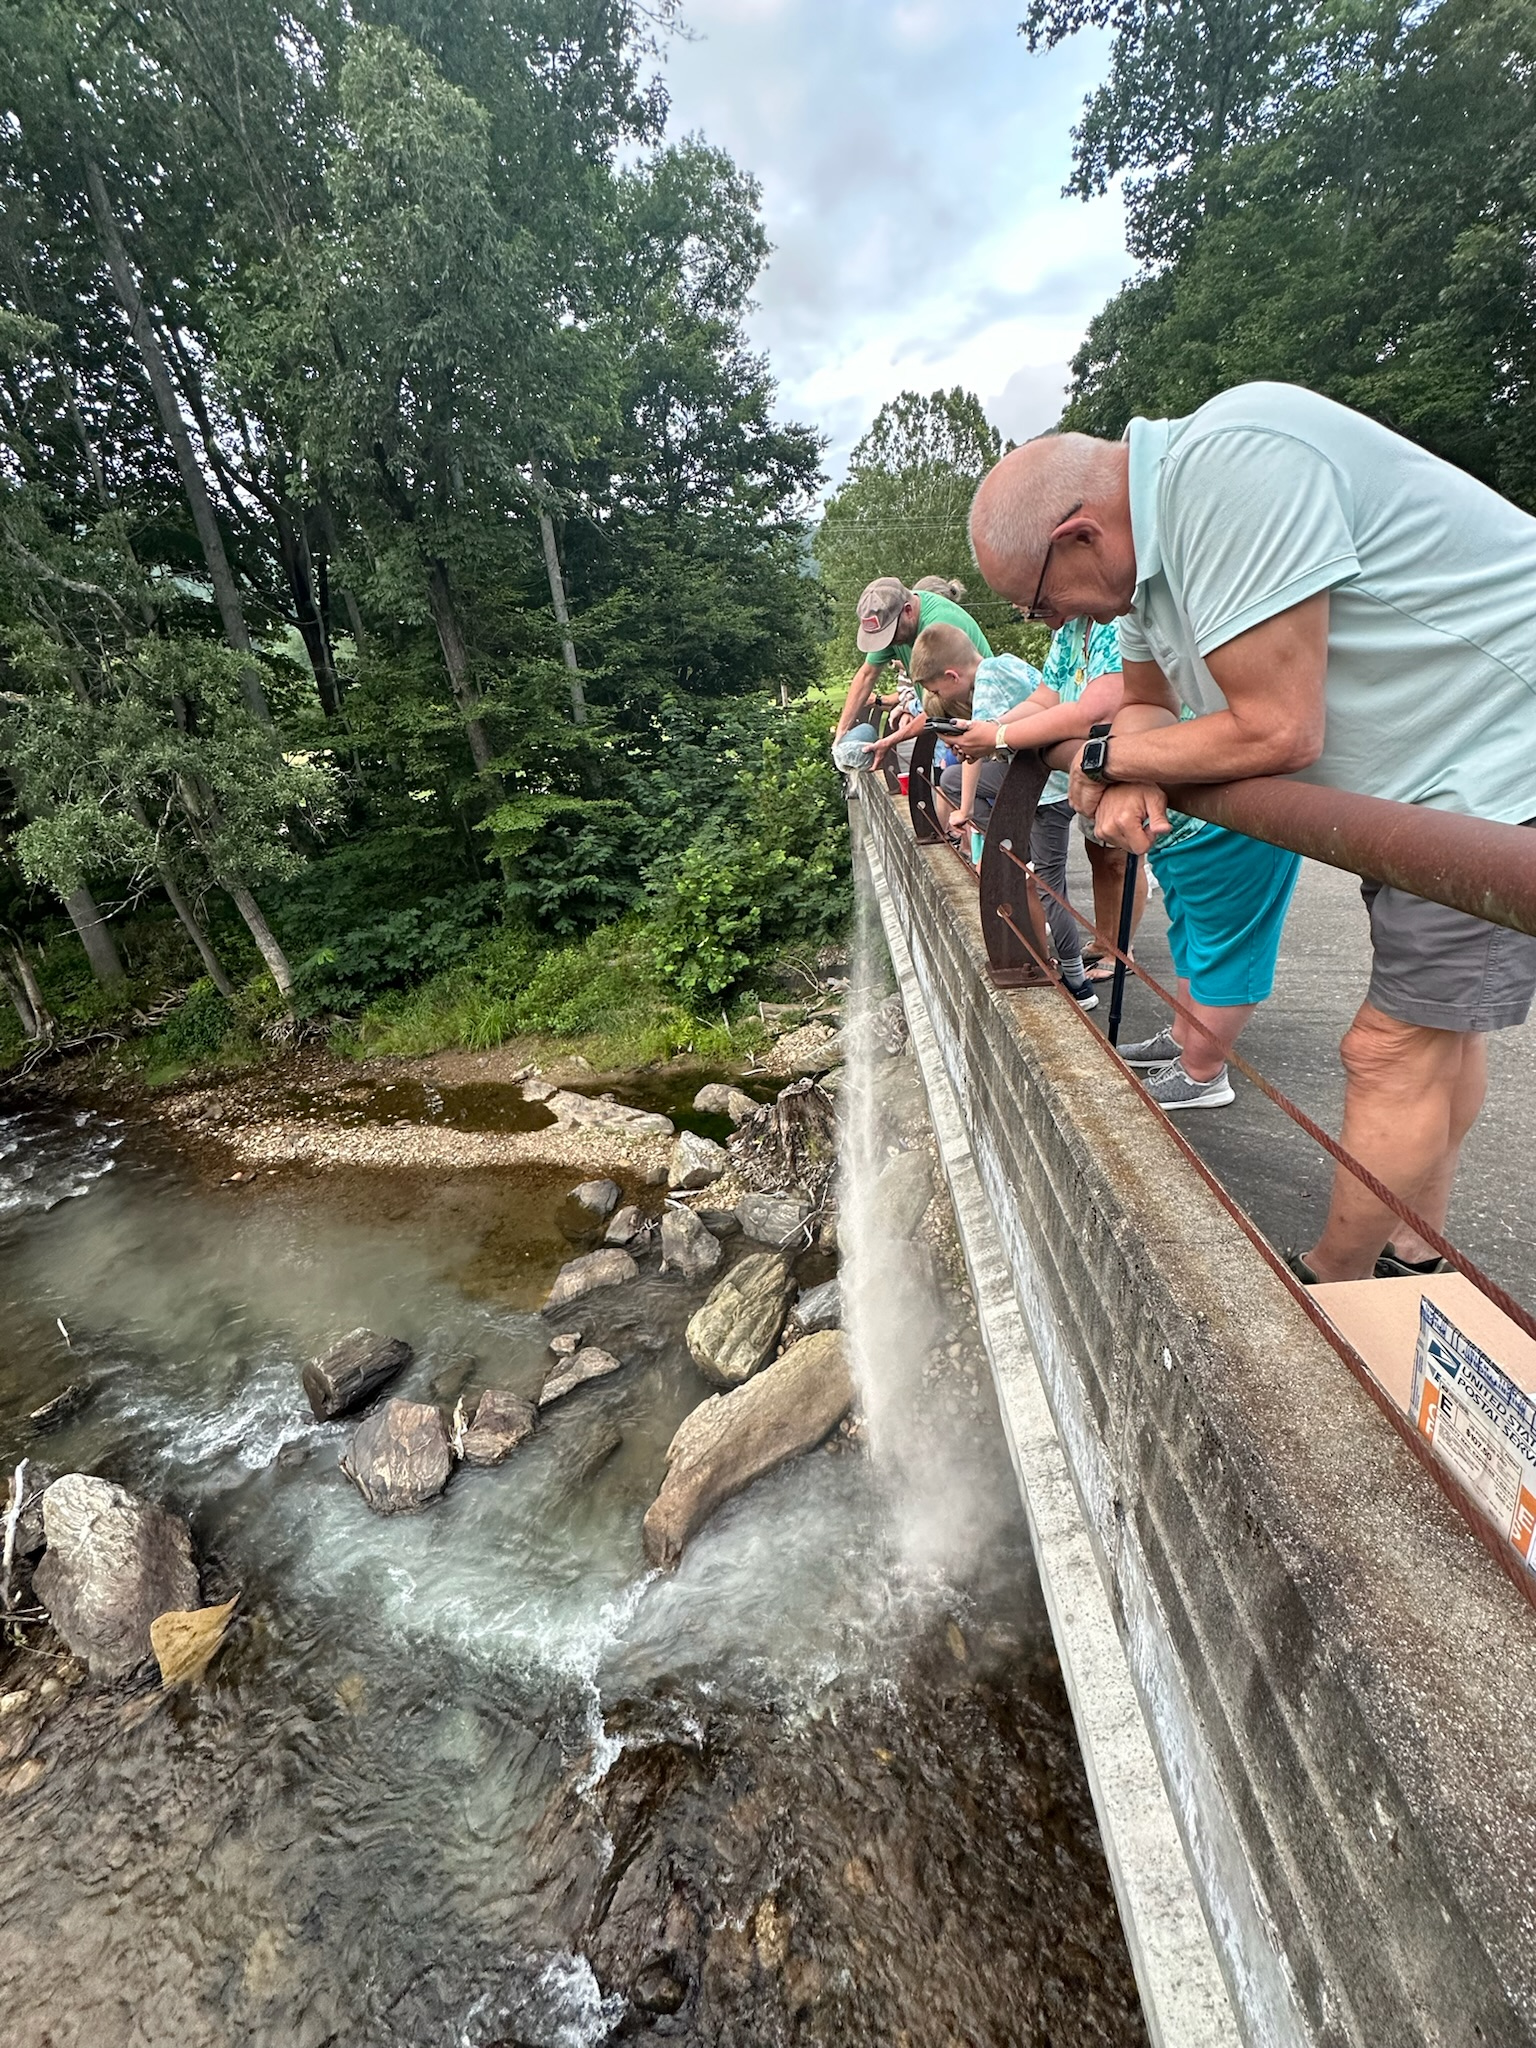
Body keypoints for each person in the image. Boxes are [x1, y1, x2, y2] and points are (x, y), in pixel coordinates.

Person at [968, 382, 1536, 1276]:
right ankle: (1415, 1253)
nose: (1056, 623)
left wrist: (1109, 760)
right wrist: (1130, 762)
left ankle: (1330, 1285)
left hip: (1496, 768)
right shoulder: (1148, 561)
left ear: (1078, 535)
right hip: (1425, 790)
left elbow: (1278, 730)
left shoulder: (1229, 472)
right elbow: (1148, 705)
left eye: (1039, 604)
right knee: (1441, 1034)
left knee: (1389, 1049)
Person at [907, 621, 1106, 1009]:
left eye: (936, 691)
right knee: (952, 781)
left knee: (1050, 887)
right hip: (1040, 783)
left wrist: (965, 810)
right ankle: (1009, 849)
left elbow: (979, 752)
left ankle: (1077, 982)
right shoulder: (1007, 662)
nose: (937, 697)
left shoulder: (988, 680)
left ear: (952, 676)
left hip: (1046, 792)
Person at [833, 576, 991, 753]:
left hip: (980, 718)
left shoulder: (937, 630)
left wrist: (891, 740)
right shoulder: (894, 620)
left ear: (908, 611)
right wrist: (841, 736)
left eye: (889, 634)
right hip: (950, 723)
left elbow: (941, 704)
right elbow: (866, 676)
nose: (888, 642)